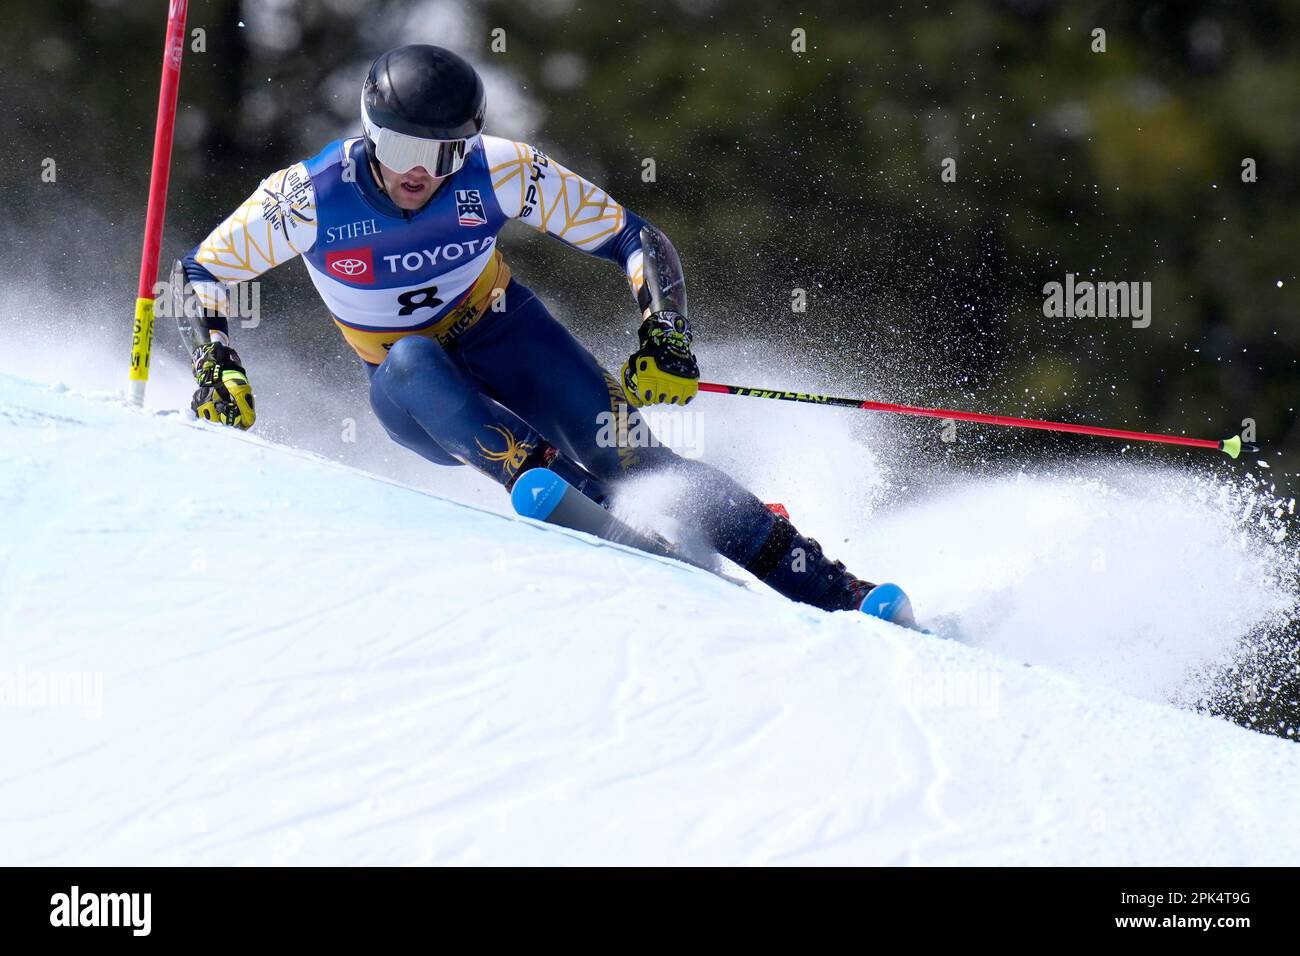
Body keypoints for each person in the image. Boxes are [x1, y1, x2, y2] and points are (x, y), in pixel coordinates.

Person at [179, 44, 910, 621]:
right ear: (369, 137)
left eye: (441, 156)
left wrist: (666, 334)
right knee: (410, 357)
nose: (419, 174)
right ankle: (570, 491)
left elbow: (635, 238)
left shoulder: (497, 170)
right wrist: (216, 363)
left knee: (639, 462)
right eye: (401, 151)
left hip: (507, 333)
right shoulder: (305, 197)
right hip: (418, 395)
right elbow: (197, 276)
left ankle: (832, 586)